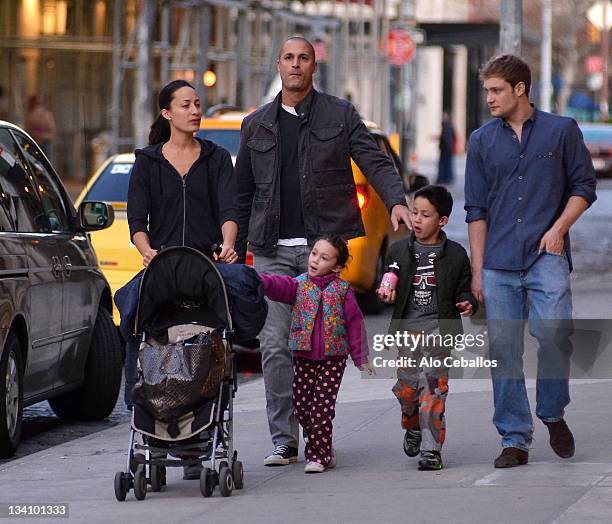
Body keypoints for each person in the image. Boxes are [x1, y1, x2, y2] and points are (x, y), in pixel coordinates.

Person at [235, 36, 411, 466]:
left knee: (321, 350)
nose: (296, 65)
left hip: (323, 255)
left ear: (314, 67)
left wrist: (396, 201)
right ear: (278, 65)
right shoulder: (256, 124)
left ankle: (317, 437)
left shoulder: (340, 114)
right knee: (275, 346)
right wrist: (234, 251)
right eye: (289, 58)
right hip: (272, 251)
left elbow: (376, 161)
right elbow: (241, 193)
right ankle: (284, 439)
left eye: (304, 59)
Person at [465, 55, 597, 468]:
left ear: (520, 88)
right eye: (487, 90)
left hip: (547, 257)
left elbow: (584, 187)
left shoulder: (562, 131)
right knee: (504, 351)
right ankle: (514, 438)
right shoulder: (481, 141)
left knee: (555, 336)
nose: (489, 98)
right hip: (499, 262)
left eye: (496, 90)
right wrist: (478, 270)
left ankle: (553, 413)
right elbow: (476, 209)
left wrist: (559, 229)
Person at [126, 79, 238, 479]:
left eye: (198, 104)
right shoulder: (148, 161)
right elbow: (137, 220)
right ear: (167, 113)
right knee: (132, 317)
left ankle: (200, 441)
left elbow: (229, 208)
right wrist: (145, 250)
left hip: (206, 271)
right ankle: (142, 414)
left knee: (215, 342)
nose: (195, 111)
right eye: (186, 104)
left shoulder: (217, 158)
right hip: (163, 270)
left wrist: (227, 244)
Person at [378, 185, 477, 471]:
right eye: (414, 213)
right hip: (408, 333)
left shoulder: (456, 255)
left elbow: (464, 290)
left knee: (433, 391)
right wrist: (386, 294)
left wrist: (468, 303)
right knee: (408, 391)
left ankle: (432, 451)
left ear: (442, 220)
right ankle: (413, 425)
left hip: (438, 334)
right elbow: (389, 281)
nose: (417, 220)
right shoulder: (399, 250)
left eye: (425, 215)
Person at [259, 236, 374, 473]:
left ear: (337, 266)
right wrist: (255, 279)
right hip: (304, 358)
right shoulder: (298, 285)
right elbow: (275, 285)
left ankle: (318, 455)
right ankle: (323, 447)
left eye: (324, 257)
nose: (315, 260)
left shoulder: (343, 290)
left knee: (321, 409)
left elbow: (355, 324)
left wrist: (361, 358)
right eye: (314, 253)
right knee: (302, 407)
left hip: (333, 360)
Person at [23, 94, 57, 161]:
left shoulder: (35, 115)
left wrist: (40, 135)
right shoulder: (45, 114)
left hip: (41, 144)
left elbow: (52, 131)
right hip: (36, 144)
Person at [436, 112, 456, 185]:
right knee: (448, 164)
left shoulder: (446, 126)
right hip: (448, 148)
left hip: (446, 149)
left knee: (444, 164)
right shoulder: (450, 126)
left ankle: (443, 178)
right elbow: (454, 136)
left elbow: (445, 138)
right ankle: (448, 178)